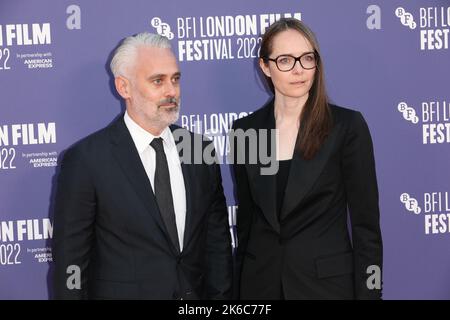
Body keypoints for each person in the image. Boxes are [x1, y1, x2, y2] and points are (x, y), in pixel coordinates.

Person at [52, 32, 232, 299]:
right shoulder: (86, 161)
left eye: (175, 79)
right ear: (124, 87)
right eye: (157, 81)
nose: (171, 91)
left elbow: (217, 247)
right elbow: (71, 263)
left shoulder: (199, 150)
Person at [231, 18, 383, 299]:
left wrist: (371, 295)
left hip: (325, 287)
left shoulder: (346, 127)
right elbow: (247, 224)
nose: (299, 70)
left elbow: (367, 229)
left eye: (307, 58)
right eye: (286, 60)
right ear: (265, 66)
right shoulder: (245, 131)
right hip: (260, 287)